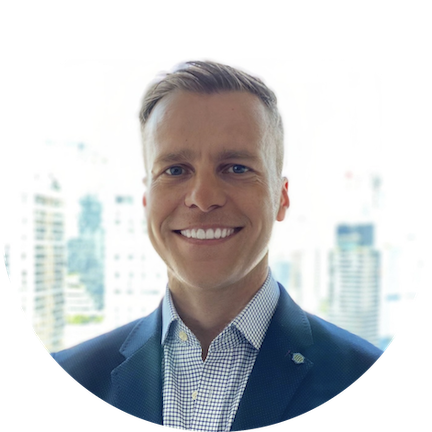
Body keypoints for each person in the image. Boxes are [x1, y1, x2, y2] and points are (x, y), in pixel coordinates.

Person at [51, 60, 383, 431]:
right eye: (175, 170)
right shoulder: (72, 373)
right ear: (146, 200)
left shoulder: (360, 373)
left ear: (281, 197)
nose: (203, 198)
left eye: (236, 168)